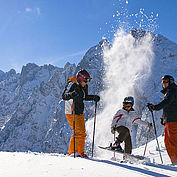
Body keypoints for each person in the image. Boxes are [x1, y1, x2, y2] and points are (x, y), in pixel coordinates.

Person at [62, 69, 100, 158]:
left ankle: (80, 152)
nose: (86, 83)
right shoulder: (72, 84)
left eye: (87, 81)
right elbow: (64, 96)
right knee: (77, 132)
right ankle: (72, 153)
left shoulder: (84, 86)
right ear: (80, 79)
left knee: (82, 133)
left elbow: (83, 97)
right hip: (71, 111)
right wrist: (72, 94)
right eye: (85, 81)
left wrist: (93, 97)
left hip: (79, 111)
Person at [147, 75, 177, 164]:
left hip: (173, 120)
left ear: (171, 82)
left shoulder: (172, 91)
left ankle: (175, 162)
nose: (163, 83)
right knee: (168, 141)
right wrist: (163, 118)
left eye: (166, 81)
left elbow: (167, 102)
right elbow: (169, 106)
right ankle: (174, 161)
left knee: (172, 142)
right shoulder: (171, 91)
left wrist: (154, 107)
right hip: (170, 119)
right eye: (163, 81)